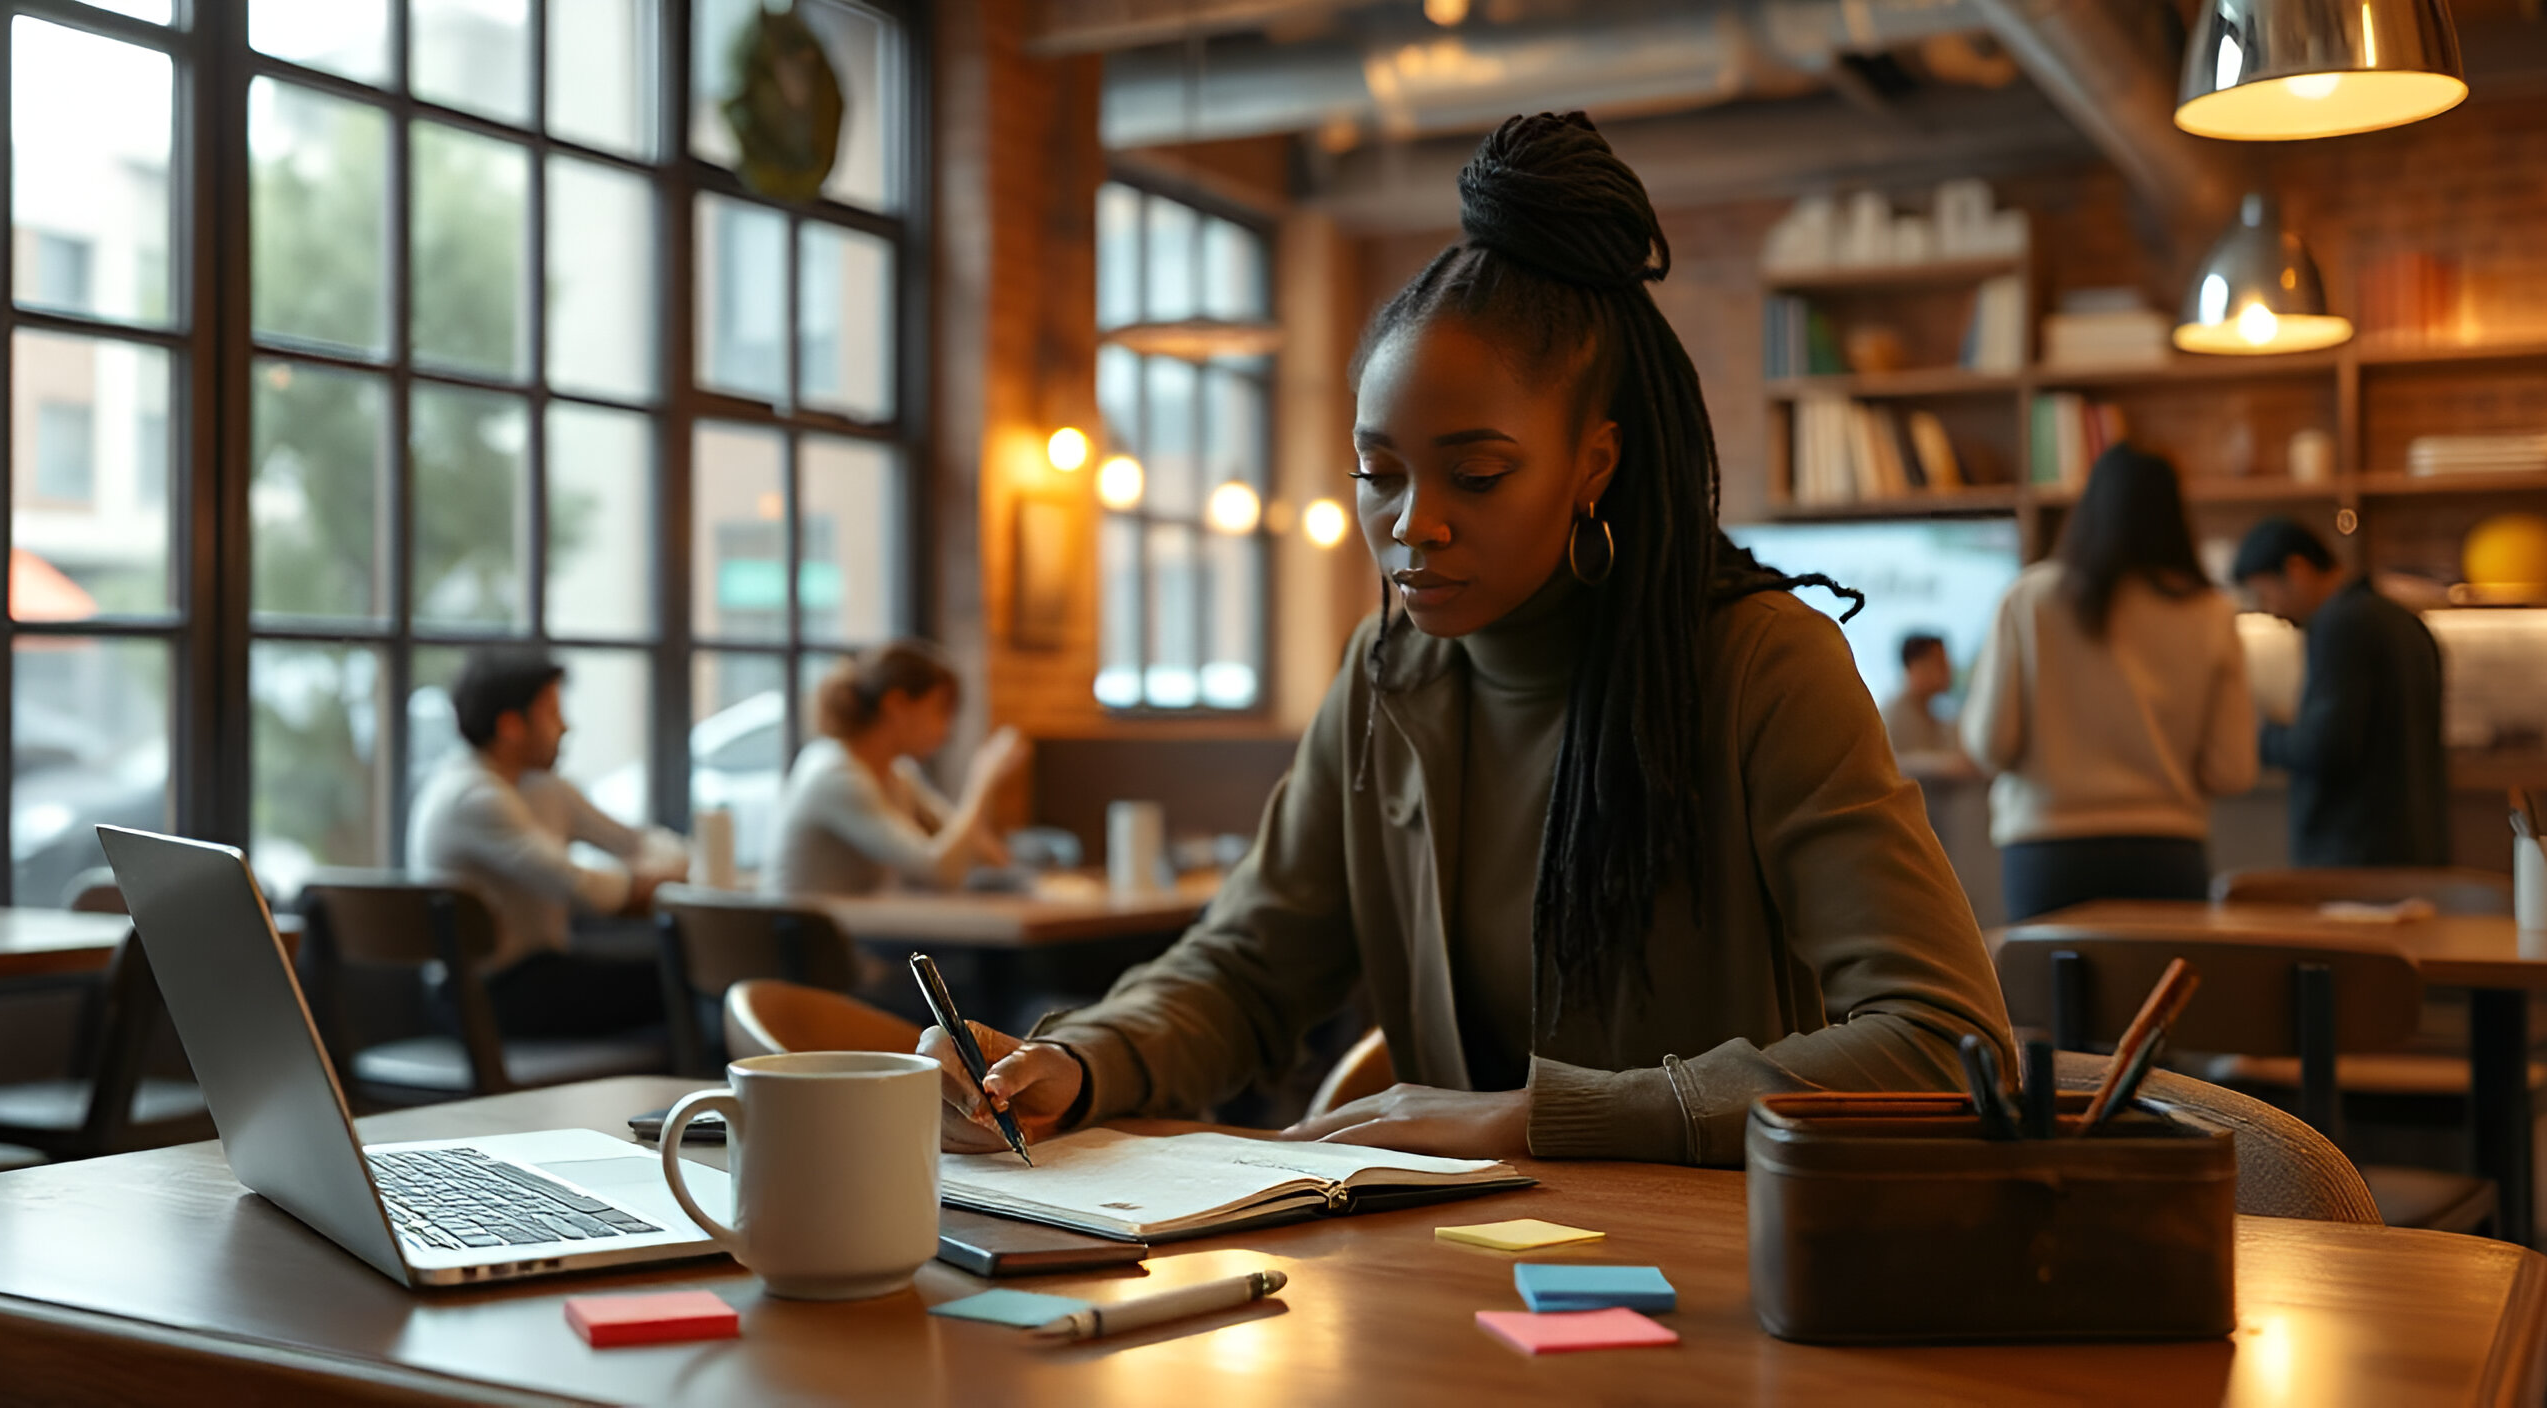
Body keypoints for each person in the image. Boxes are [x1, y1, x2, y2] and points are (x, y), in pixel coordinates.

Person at [915, 113, 2009, 1167]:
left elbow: (1940, 1042)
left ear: (1594, 464)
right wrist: (1076, 1058)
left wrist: (1549, 1117)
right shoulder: (1385, 680)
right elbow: (1249, 967)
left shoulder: (1761, 666)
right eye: (1377, 474)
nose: (1410, 524)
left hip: (1729, 1280)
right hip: (1461, 1272)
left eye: (1476, 475)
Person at [1959, 447, 2259, 921]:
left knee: (2046, 996)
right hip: (2167, 855)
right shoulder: (2212, 613)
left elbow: (1991, 743)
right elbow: (2233, 770)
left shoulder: (2029, 599)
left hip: (2047, 854)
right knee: (2166, 997)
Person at [408, 649, 685, 1038]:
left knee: (671, 972)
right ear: (510, 726)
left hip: (515, 982)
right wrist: (659, 879)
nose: (566, 727)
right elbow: (582, 887)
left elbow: (630, 840)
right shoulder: (475, 797)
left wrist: (671, 863)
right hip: (489, 998)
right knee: (682, 975)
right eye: (552, 713)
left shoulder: (528, 786)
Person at [2232, 517, 2449, 867]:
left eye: (2264, 593)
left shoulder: (2340, 625)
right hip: (2416, 848)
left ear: (2296, 569)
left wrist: (2258, 735)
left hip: (2355, 855)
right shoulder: (2406, 622)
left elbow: (2326, 746)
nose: (2271, 610)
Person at [763, 641, 1030, 897]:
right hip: (806, 939)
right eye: (941, 711)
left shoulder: (898, 775)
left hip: (860, 933)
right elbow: (938, 870)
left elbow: (969, 846)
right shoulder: (836, 775)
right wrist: (982, 778)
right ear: (896, 705)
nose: (947, 731)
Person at [1885, 632, 1961, 760]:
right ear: (1914, 666)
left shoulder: (1931, 712)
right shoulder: (1894, 716)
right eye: (1939, 663)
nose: (1949, 669)